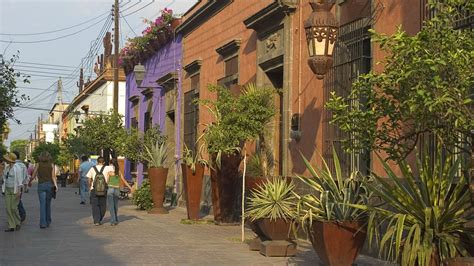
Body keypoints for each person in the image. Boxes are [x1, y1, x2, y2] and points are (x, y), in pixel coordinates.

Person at [32, 151, 58, 229]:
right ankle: (48, 220)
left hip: (41, 185)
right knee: (48, 204)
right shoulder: (51, 165)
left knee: (42, 204)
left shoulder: (38, 164)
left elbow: (33, 175)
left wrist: (29, 181)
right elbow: (53, 176)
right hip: (50, 185)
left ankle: (43, 223)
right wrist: (56, 186)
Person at [105, 158, 133, 226]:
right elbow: (124, 180)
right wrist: (130, 187)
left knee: (111, 206)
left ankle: (113, 220)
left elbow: (107, 181)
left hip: (110, 188)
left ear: (110, 163)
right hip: (117, 189)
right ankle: (116, 219)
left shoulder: (109, 172)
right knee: (115, 205)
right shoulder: (118, 171)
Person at [2, 153, 23, 232]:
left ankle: (18, 222)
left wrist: (19, 191)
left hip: (15, 190)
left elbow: (20, 181)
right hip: (7, 189)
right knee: (8, 208)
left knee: (13, 208)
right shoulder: (6, 168)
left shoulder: (17, 168)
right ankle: (11, 225)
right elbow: (4, 178)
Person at [87, 156, 107, 226]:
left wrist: (89, 187)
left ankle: (96, 220)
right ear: (104, 162)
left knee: (95, 205)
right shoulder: (107, 168)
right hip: (104, 190)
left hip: (94, 189)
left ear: (97, 162)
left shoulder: (92, 168)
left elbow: (89, 179)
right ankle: (100, 218)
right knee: (103, 205)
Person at [12, 151, 27, 223]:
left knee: (15, 201)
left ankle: (22, 214)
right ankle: (19, 215)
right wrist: (25, 185)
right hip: (21, 185)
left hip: (13, 185)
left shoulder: (12, 165)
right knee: (17, 200)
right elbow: (26, 176)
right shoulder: (23, 165)